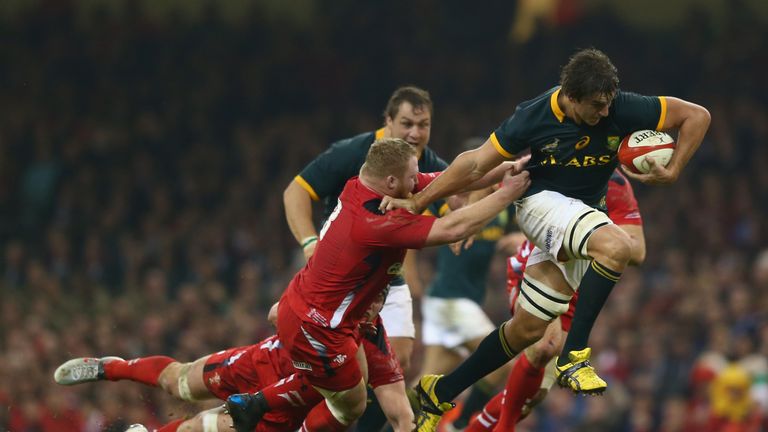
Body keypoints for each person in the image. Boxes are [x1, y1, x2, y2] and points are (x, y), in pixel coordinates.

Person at [379, 48, 710, 431]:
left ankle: (441, 391)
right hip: (540, 203)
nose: (604, 114)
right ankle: (576, 357)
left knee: (529, 332)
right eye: (596, 106)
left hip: (580, 218)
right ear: (570, 97)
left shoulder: (621, 107)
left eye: (608, 104)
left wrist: (674, 170)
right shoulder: (532, 116)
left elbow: (696, 116)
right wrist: (419, 200)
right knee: (617, 246)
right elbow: (475, 163)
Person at [227, 138, 530, 432]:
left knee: (397, 408)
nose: (417, 184)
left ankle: (255, 403)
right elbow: (453, 227)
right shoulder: (375, 224)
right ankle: (255, 404)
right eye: (412, 178)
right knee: (352, 403)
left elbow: (447, 179)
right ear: (390, 182)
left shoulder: (359, 186)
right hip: (320, 326)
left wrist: (507, 168)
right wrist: (505, 194)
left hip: (347, 315)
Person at [283, 86, 447, 430]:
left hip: (386, 279)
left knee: (396, 361)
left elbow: (457, 192)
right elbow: (296, 190)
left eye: (424, 124)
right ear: (387, 122)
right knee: (340, 375)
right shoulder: (353, 153)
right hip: (338, 280)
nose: (416, 133)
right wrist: (309, 241)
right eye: (406, 123)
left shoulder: (423, 160)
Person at [52, 294, 412, 432]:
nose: (372, 305)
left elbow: (396, 411)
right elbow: (275, 313)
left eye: (381, 300)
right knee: (180, 382)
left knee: (198, 429)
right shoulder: (331, 292)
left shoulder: (374, 350)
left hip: (283, 407)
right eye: (370, 295)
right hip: (259, 361)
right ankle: (109, 367)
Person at [466, 169, 645, 431]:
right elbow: (488, 175)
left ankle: (466, 427)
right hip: (536, 266)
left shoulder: (615, 184)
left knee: (531, 397)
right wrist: (472, 220)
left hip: (574, 284)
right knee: (544, 347)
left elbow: (638, 252)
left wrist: (600, 237)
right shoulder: (555, 159)